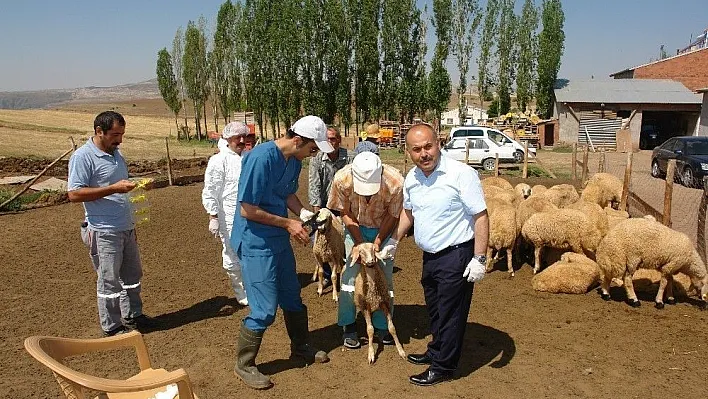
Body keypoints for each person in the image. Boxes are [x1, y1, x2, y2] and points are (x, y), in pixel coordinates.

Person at [380, 123, 489, 386]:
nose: (424, 153)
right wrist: (394, 241)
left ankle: (443, 366)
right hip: (430, 256)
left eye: (428, 146)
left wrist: (480, 257)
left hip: (457, 254)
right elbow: (409, 212)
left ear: (438, 143)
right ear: (408, 152)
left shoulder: (461, 174)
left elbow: (481, 216)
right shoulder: (413, 179)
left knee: (451, 312)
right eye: (416, 149)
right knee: (436, 309)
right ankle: (437, 349)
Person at [231, 115, 332, 389]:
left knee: (292, 297)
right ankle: (245, 364)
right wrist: (289, 223)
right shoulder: (260, 158)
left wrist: (304, 213)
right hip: (255, 242)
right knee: (264, 310)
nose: (314, 154)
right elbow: (247, 209)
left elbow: (287, 194)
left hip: (277, 239)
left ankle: (301, 347)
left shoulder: (294, 161)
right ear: (297, 140)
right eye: (312, 148)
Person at [67, 111, 158, 337]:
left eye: (122, 134)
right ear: (99, 131)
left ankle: (133, 315)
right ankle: (112, 326)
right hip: (103, 230)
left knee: (132, 276)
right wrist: (113, 189)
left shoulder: (116, 153)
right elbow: (74, 194)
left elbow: (119, 185)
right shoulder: (83, 157)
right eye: (115, 134)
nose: (120, 140)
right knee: (109, 281)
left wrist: (137, 186)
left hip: (125, 226)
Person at [327, 151, 404, 349]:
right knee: (350, 278)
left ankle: (382, 325)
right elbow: (344, 212)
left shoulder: (394, 182)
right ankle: (349, 324)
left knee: (383, 277)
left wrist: (378, 242)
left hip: (383, 229)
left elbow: (393, 215)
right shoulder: (342, 179)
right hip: (355, 228)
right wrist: (360, 243)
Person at [202, 121, 250, 306]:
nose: (241, 140)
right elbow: (211, 189)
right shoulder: (219, 160)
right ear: (228, 139)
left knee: (248, 250)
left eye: (243, 136)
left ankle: (252, 286)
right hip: (227, 215)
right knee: (232, 251)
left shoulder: (248, 157)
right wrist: (213, 215)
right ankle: (240, 291)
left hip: (249, 212)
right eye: (237, 137)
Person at [307, 126, 348, 284]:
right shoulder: (317, 158)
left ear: (339, 140)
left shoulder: (349, 157)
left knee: (346, 237)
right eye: (327, 139)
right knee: (320, 239)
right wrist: (317, 215)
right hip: (325, 205)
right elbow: (314, 186)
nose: (330, 142)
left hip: (344, 204)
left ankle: (346, 272)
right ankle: (325, 274)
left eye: (333, 138)